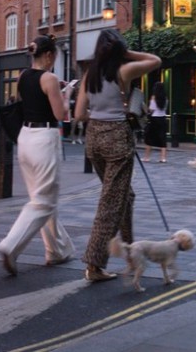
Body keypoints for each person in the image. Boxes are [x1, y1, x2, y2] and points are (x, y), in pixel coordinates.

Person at [74, 29, 161, 282]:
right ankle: (93, 264)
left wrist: (98, 118)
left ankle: (132, 252)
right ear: (118, 51)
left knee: (125, 195)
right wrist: (127, 53)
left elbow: (79, 114)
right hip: (116, 138)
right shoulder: (123, 71)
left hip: (93, 139)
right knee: (110, 204)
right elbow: (155, 60)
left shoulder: (89, 75)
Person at [0, 35, 75, 276]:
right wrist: (67, 93)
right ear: (49, 55)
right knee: (44, 201)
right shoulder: (49, 78)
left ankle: (57, 250)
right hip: (44, 138)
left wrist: (54, 88)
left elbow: (34, 98)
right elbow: (60, 114)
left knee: (41, 197)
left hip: (25, 137)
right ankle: (11, 246)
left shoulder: (23, 76)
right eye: (54, 57)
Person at [143, 81, 168, 163]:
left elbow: (151, 110)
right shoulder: (165, 98)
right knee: (162, 138)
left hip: (154, 119)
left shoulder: (153, 98)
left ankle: (147, 157)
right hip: (163, 118)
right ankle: (163, 158)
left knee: (149, 138)